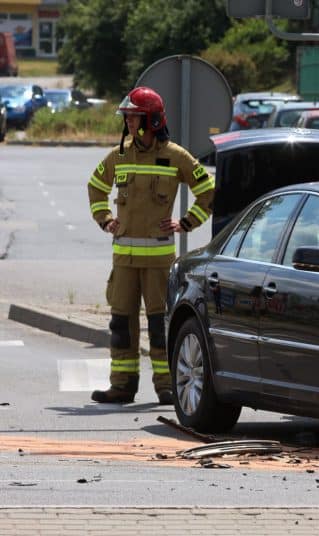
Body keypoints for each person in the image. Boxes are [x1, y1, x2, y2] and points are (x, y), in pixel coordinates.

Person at [87, 86, 215, 404]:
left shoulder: (174, 156)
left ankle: (166, 386)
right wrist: (105, 220)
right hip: (124, 261)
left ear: (151, 120)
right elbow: (95, 186)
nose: (128, 123)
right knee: (121, 323)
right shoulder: (118, 156)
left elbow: (208, 190)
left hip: (159, 260)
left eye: (133, 118)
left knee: (159, 325)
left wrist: (186, 222)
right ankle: (122, 385)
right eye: (127, 118)